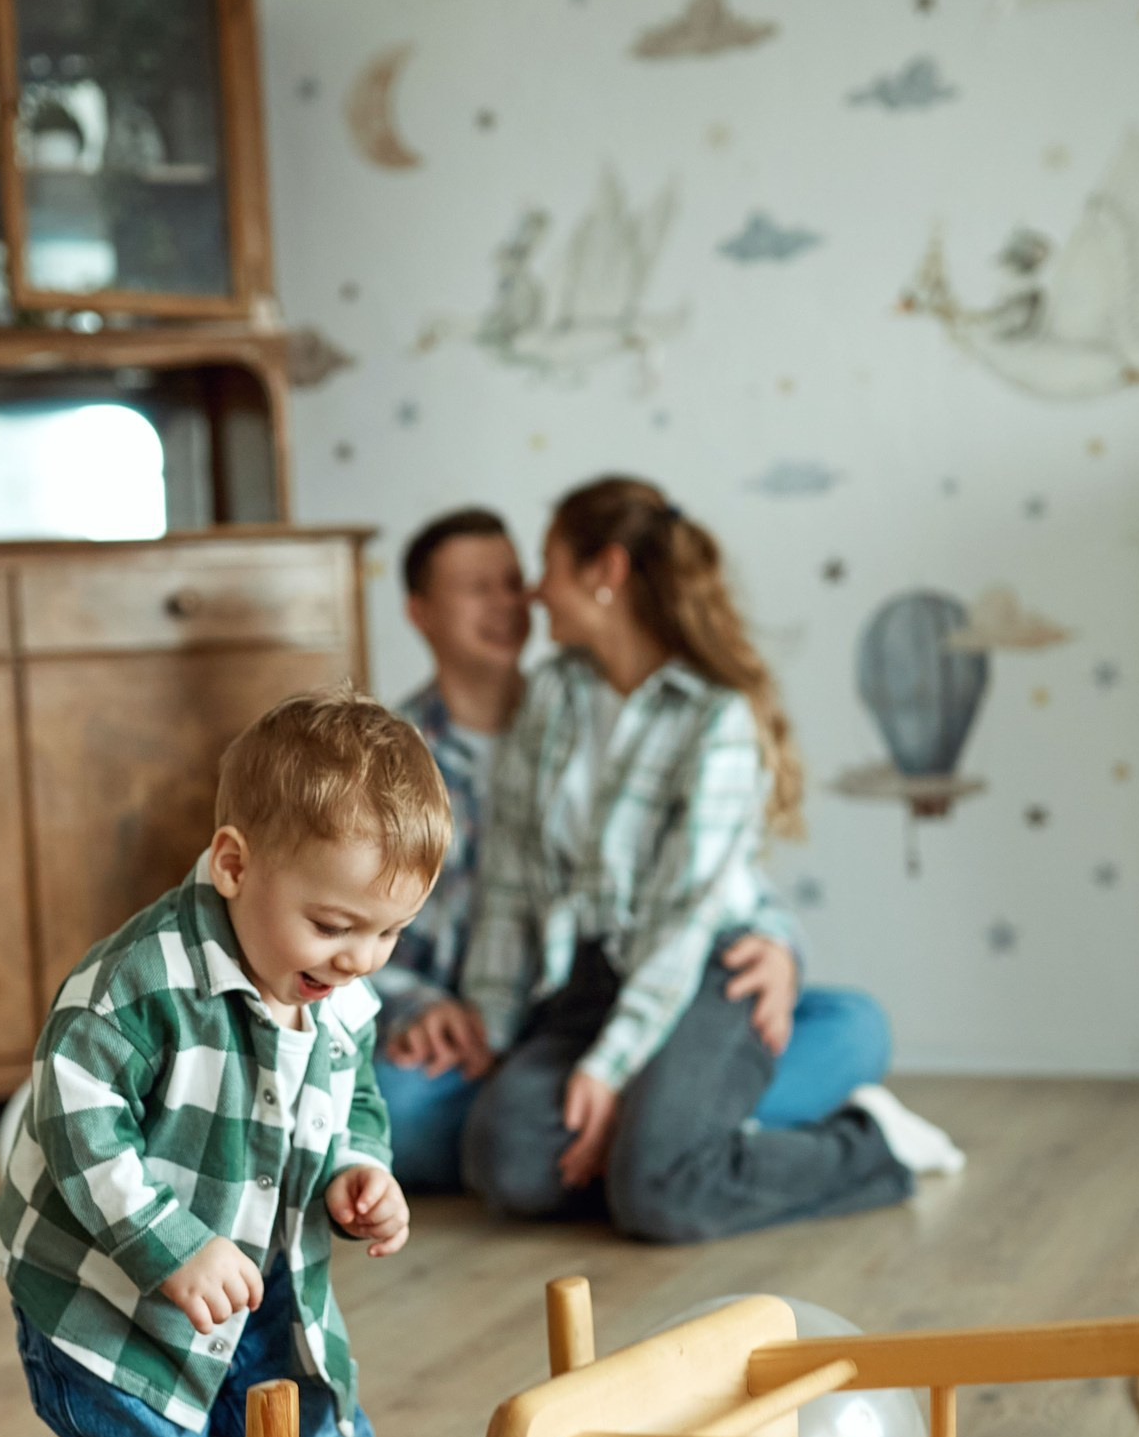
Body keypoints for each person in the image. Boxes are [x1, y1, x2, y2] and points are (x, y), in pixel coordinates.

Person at [0, 689, 454, 1437]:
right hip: (110, 1297)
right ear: (234, 864)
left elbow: (354, 1097)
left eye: (390, 933)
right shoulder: (133, 985)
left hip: (262, 1265)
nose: (359, 960)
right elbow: (76, 1124)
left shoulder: (334, 986)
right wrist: (171, 1247)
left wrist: (357, 1170)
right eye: (334, 926)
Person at [455, 477, 963, 1237]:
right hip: (589, 982)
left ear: (606, 571)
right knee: (505, 1162)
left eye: (548, 565)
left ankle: (871, 1144)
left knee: (659, 1196)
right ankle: (677, 1143)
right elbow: (510, 878)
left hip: (699, 970)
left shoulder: (714, 717)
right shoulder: (552, 696)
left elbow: (683, 919)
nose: (534, 591)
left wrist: (609, 1070)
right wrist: (491, 1032)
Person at [374, 505, 894, 1192]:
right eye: (477, 589)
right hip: (496, 1030)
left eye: (517, 581)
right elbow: (337, 920)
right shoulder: (387, 756)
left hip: (641, 986)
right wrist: (416, 1004)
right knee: (400, 1116)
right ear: (419, 613)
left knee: (853, 1027)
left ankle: (649, 1142)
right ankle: (669, 1143)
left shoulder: (592, 708)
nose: (516, 601)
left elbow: (704, 880)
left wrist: (777, 942)